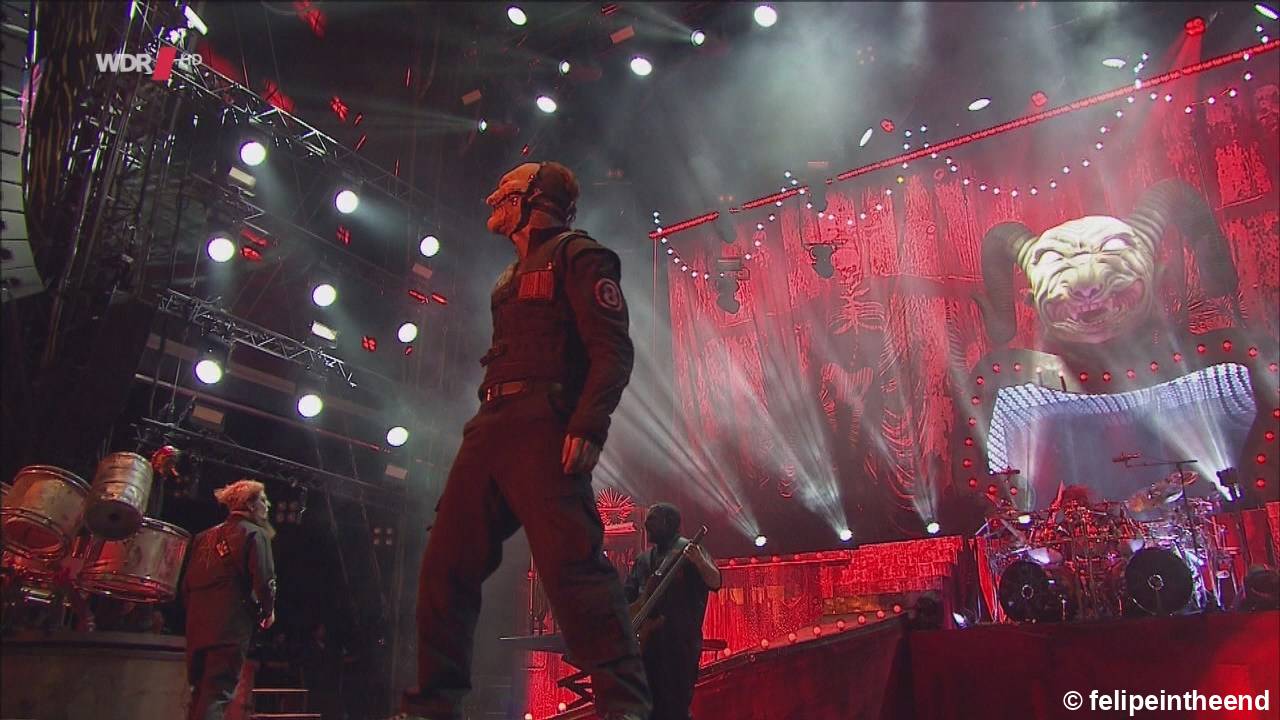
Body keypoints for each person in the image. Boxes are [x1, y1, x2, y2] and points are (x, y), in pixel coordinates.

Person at [403, 162, 649, 720]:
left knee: (573, 571)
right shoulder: (509, 278)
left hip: (543, 425)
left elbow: (613, 351)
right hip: (492, 423)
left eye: (507, 189)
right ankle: (431, 708)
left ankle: (625, 708)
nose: (494, 196)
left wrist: (588, 424)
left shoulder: (579, 256)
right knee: (444, 567)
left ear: (535, 198)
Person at [183, 479, 277, 720]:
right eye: (263, 500)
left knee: (198, 694)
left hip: (197, 627)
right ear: (250, 505)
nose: (268, 504)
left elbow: (186, 585)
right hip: (229, 626)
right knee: (217, 693)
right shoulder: (255, 534)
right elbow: (264, 580)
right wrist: (268, 611)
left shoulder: (202, 537)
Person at [623, 503, 721, 720]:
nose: (646, 524)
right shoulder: (643, 560)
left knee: (674, 709)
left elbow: (715, 581)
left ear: (669, 523)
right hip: (646, 648)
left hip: (678, 648)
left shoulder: (689, 552)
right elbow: (626, 598)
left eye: (653, 519)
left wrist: (700, 561)